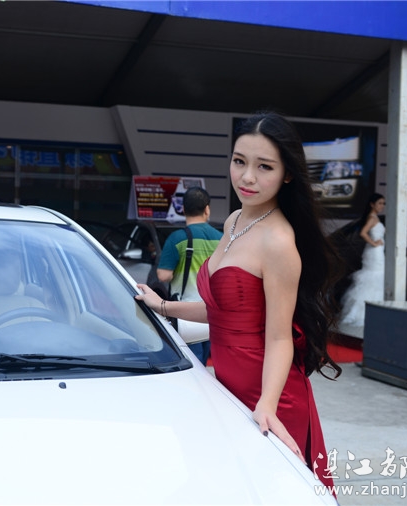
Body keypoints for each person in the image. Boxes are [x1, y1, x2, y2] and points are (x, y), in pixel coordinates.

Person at [135, 111, 342, 489]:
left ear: (287, 174)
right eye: (239, 161)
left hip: (269, 398)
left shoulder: (278, 242)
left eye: (264, 167)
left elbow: (279, 337)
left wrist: (267, 405)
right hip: (229, 386)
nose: (247, 177)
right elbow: (224, 311)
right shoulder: (233, 222)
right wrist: (162, 307)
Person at [156, 186, 222, 365]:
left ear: (183, 209)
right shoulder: (221, 238)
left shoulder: (177, 238)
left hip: (186, 314)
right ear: (207, 209)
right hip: (214, 313)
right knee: (207, 362)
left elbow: (163, 275)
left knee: (192, 363)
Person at [339, 193, 386, 327]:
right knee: (372, 280)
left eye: (383, 203)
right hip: (374, 253)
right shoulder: (372, 218)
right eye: (379, 203)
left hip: (377, 252)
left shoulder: (374, 217)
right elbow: (363, 233)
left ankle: (365, 312)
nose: (382, 206)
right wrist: (373, 243)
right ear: (372, 204)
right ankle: (360, 313)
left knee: (374, 281)